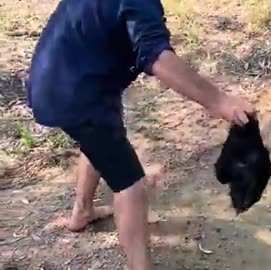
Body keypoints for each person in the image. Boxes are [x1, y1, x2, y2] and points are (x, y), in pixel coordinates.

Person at [26, 0, 254, 269]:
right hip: (76, 94)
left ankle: (83, 211)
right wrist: (220, 101)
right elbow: (157, 57)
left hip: (61, 80)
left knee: (101, 143)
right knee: (130, 184)